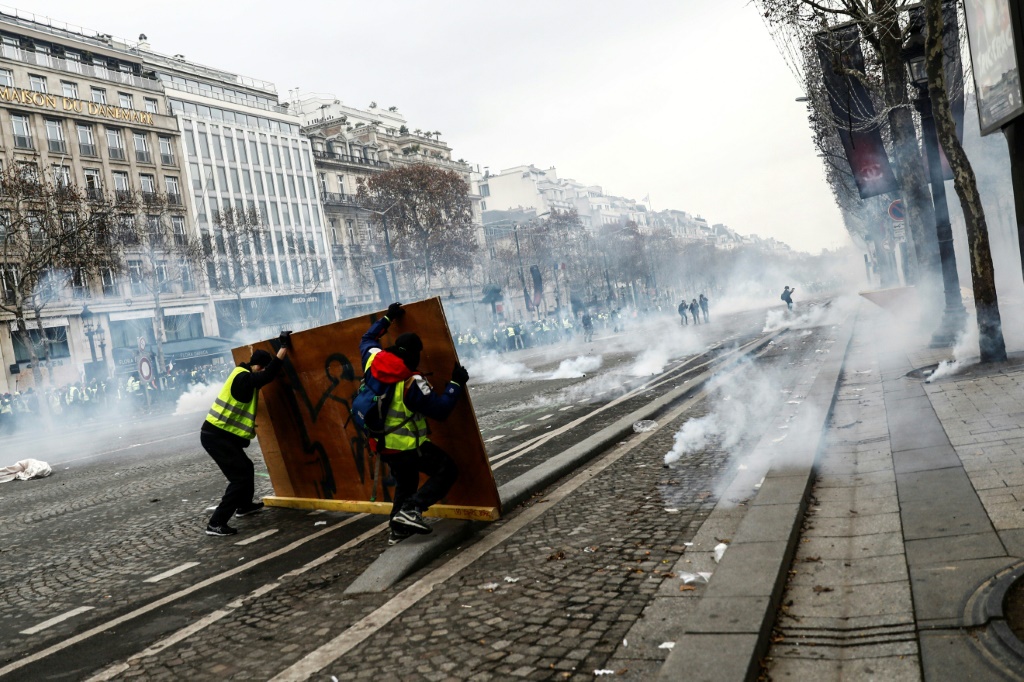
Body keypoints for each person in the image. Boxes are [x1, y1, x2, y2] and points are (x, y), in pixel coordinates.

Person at [360, 302, 468, 546]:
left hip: (381, 444)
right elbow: (440, 411)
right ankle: (413, 509)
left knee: (406, 482)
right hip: (407, 446)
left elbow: (368, 337)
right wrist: (456, 384)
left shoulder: (372, 359)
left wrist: (388, 317)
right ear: (413, 355)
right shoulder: (411, 381)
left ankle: (397, 529)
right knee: (447, 470)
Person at [201, 331, 291, 536]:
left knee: (246, 468)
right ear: (258, 367)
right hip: (216, 437)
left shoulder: (240, 373)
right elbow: (268, 376)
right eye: (262, 368)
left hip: (219, 435)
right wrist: (283, 348)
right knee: (239, 479)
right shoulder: (243, 379)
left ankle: (243, 506)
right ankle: (215, 523)